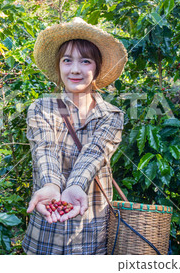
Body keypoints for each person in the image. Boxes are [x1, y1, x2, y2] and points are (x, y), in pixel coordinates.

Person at [22, 18, 128, 255]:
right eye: (67, 60)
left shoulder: (110, 115)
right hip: (46, 233)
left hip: (90, 231)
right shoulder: (42, 108)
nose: (76, 69)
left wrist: (75, 186)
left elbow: (94, 154)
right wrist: (51, 185)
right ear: (59, 66)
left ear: (97, 68)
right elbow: (45, 149)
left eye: (85, 61)